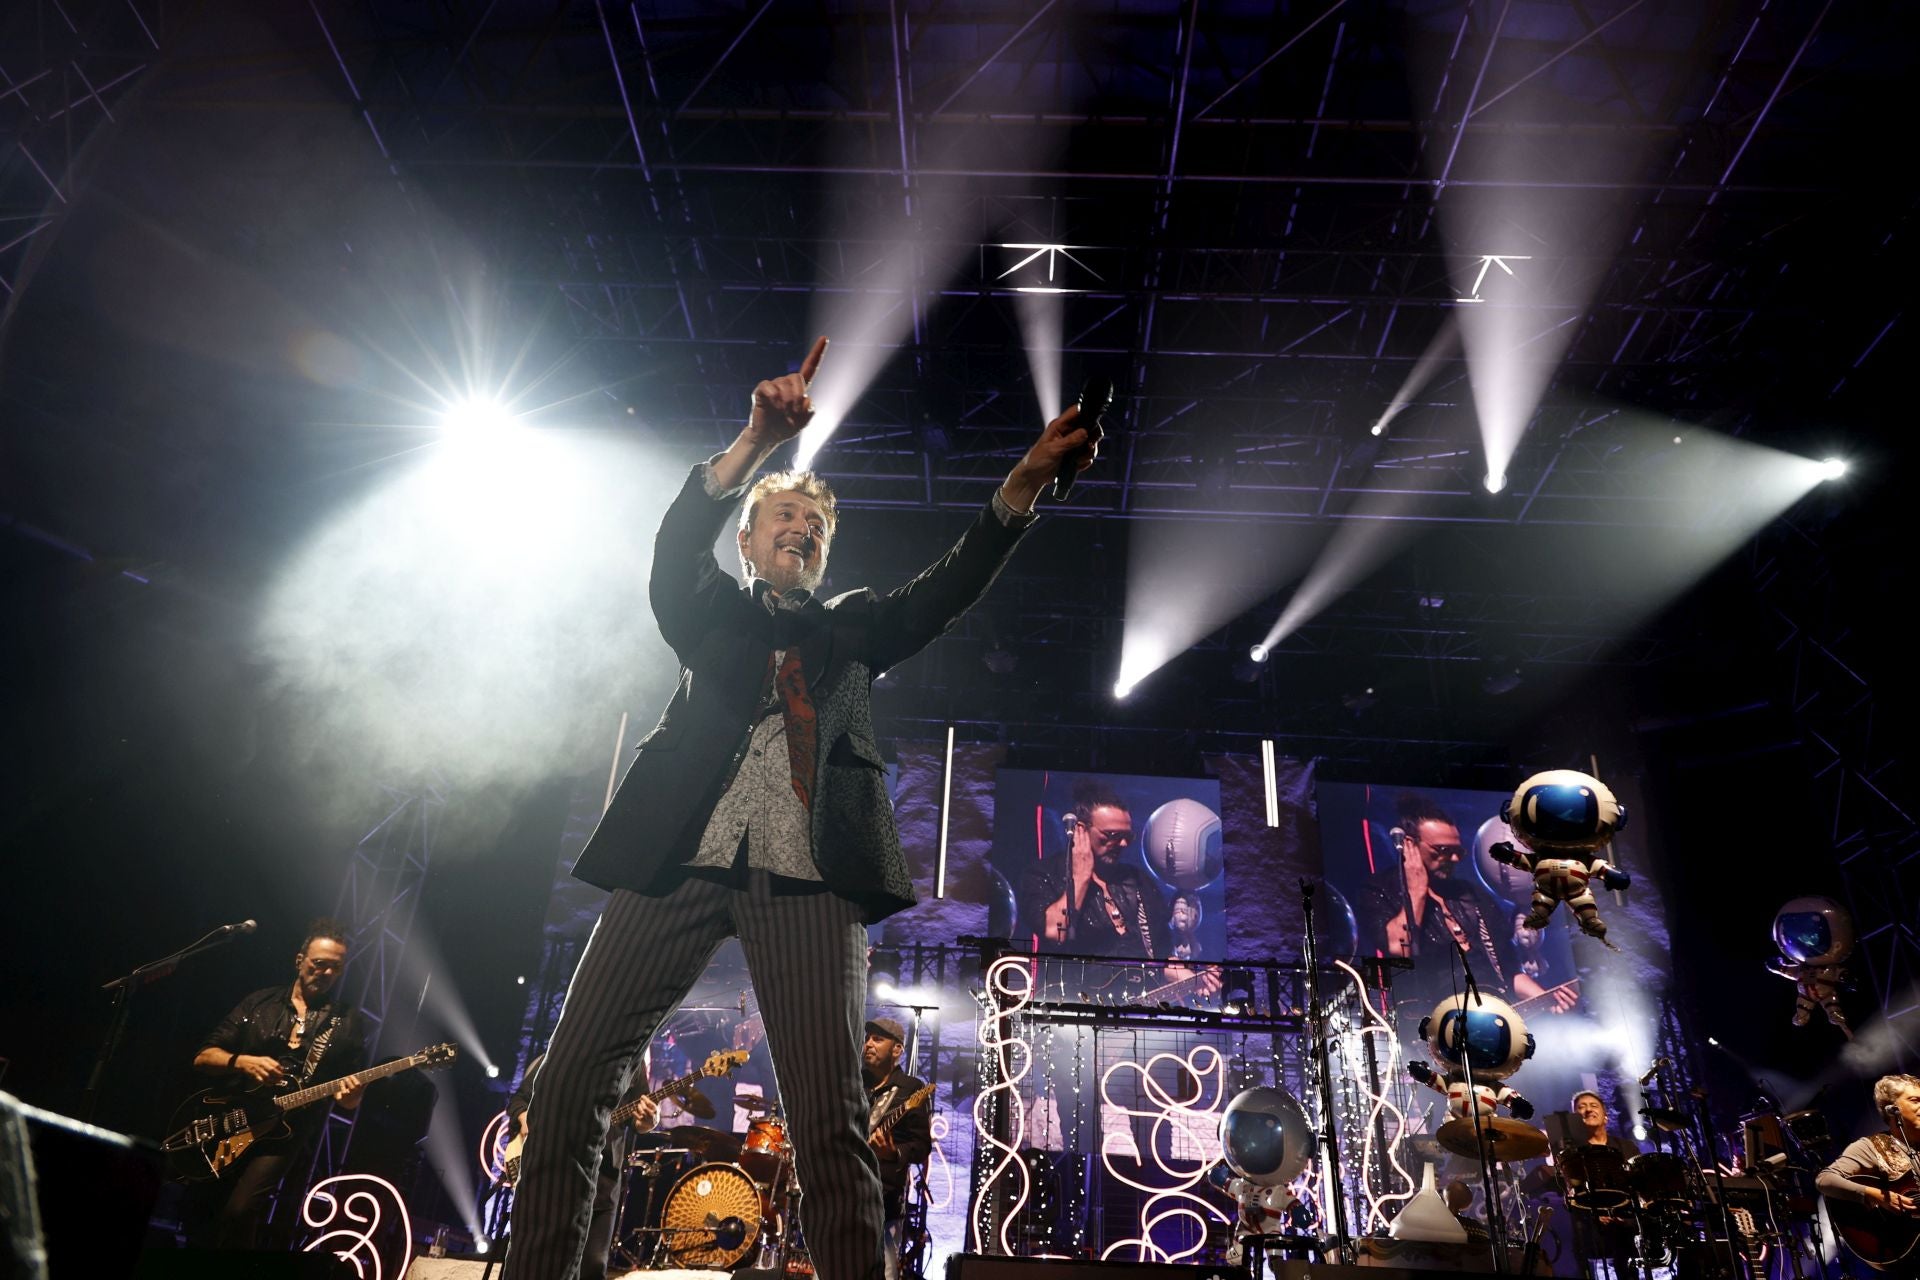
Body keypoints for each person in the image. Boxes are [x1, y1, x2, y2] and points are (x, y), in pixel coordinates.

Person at [503, 336, 1099, 1280]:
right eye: (783, 518)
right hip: (679, 858)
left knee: (828, 1116)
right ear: (748, 537)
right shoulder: (709, 613)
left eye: (815, 529)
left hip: (812, 875)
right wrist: (751, 444)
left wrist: (1022, 480)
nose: (802, 534)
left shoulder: (854, 629)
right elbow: (669, 551)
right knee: (573, 1078)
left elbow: (949, 586)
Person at [185, 918, 368, 1249]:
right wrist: (242, 1062)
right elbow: (202, 1057)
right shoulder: (260, 1004)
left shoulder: (348, 1022)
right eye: (319, 964)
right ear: (300, 961)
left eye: (335, 969)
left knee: (240, 1211)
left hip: (285, 1133)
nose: (325, 973)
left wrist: (352, 1094)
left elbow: (348, 1101)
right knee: (202, 1211)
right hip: (231, 1122)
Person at [1356, 794, 1569, 1013]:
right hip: (1429, 1023)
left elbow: (1509, 970)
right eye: (1443, 851)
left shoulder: (1470, 894)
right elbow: (1399, 947)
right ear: (1410, 845)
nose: (1455, 859)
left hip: (1494, 1017)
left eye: (1458, 851)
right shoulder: (1380, 890)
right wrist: (1417, 891)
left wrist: (1546, 998)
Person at [506, 1054, 660, 1280]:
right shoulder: (566, 1047)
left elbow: (638, 1119)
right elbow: (519, 1100)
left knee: (593, 1266)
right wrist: (530, 1120)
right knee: (544, 1263)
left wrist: (649, 1122)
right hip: (557, 1173)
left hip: (604, 1181)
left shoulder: (635, 1060)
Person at [1019, 778, 1165, 959]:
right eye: (1112, 835)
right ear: (1081, 829)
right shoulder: (1044, 875)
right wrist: (1080, 878)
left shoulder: (1139, 881)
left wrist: (1192, 975)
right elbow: (1054, 933)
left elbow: (1161, 952)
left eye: (1128, 836)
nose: (1123, 843)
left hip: (1140, 985)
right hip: (1076, 986)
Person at [862, 1017, 932, 1280]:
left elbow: (922, 1146)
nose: (868, 1044)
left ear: (897, 1050)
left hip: (883, 1199)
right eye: (867, 1037)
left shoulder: (911, 1090)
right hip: (845, 1193)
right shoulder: (856, 1083)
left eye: (878, 1039)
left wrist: (893, 1153)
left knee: (884, 1272)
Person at [1817, 1073, 1920, 1213]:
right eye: (1915, 1100)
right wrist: (1875, 1196)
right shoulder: (1871, 1146)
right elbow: (1824, 1180)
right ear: (1890, 1109)